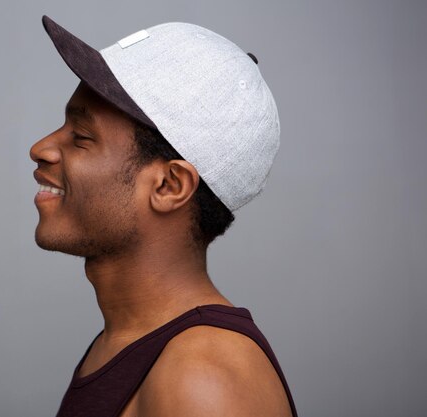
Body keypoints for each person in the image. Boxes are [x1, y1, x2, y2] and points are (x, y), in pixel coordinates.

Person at [30, 15, 298, 417]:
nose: (41, 148)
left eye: (82, 137)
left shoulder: (203, 378)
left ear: (169, 186)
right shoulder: (130, 343)